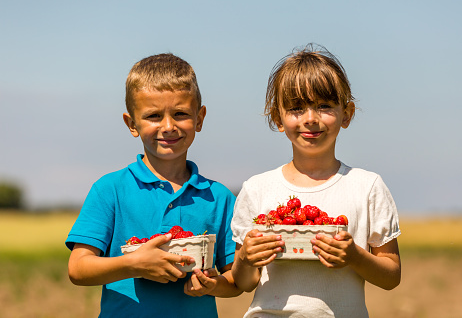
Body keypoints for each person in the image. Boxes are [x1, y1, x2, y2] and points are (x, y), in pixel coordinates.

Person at [230, 44, 401, 317]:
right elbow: (245, 282)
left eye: (323, 106)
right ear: (278, 118)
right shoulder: (257, 189)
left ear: (347, 114)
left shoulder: (366, 187)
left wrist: (355, 257)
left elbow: (391, 276)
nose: (310, 119)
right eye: (296, 108)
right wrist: (246, 257)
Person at [66, 53, 242, 317]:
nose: (168, 126)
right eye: (153, 116)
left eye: (180, 113)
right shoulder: (109, 189)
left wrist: (211, 285)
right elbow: (78, 269)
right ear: (131, 124)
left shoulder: (219, 197)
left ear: (200, 118)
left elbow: (235, 281)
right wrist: (133, 264)